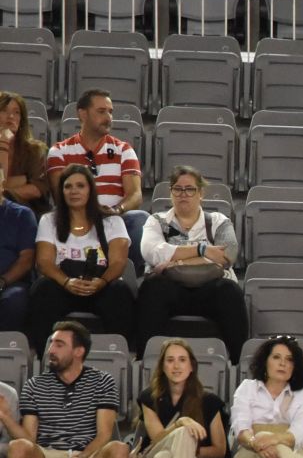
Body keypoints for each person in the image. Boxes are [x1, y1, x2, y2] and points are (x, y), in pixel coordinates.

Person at [2, 320, 130, 458]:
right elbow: (29, 438)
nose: (51, 350)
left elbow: (104, 434)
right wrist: (6, 417)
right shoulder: (34, 385)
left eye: (59, 345)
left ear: (79, 351)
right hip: (47, 454)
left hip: (88, 455)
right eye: (51, 343)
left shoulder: (103, 381)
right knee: (17, 448)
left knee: (119, 449)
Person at [133, 167, 248, 360]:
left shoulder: (218, 221)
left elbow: (227, 256)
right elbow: (152, 253)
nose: (183, 194)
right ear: (171, 192)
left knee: (230, 291)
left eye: (190, 189)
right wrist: (202, 251)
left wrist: (175, 260)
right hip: (172, 289)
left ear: (201, 193)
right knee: (152, 288)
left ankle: (240, 364)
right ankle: (144, 360)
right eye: (177, 189)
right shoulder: (156, 221)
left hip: (209, 288)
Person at [24, 165, 135, 350]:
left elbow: (118, 262)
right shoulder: (49, 221)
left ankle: (119, 354)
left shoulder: (112, 221)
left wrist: (102, 281)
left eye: (80, 186)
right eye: (68, 186)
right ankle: (42, 355)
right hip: (63, 283)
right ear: (61, 191)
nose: (73, 191)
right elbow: (44, 262)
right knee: (43, 289)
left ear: (91, 190)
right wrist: (67, 282)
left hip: (101, 283)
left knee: (120, 291)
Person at [42, 90, 146, 270]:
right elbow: (59, 195)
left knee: (140, 219)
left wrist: (116, 210)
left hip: (112, 217)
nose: (108, 117)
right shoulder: (59, 151)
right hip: (75, 215)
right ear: (82, 114)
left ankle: (133, 279)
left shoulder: (124, 150)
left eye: (110, 111)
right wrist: (88, 211)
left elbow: (135, 195)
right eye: (101, 111)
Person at [137, 339, 228, 458]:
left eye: (182, 360)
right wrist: (180, 424)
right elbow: (157, 440)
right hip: (153, 452)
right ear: (163, 367)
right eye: (170, 360)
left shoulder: (210, 402)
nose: (176, 366)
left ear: (191, 366)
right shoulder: (149, 397)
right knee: (183, 432)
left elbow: (220, 451)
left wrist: (186, 449)